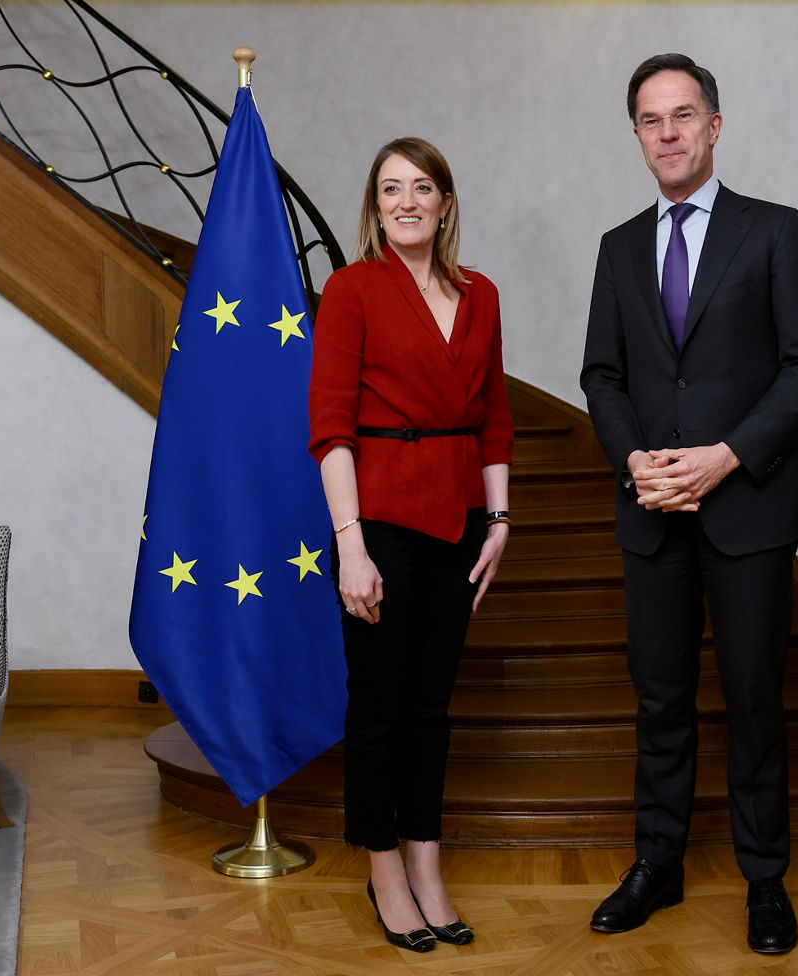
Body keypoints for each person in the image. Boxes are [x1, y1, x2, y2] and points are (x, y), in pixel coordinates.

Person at [579, 54, 798, 954]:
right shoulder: (617, 248)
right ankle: (659, 864)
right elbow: (601, 378)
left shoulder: (775, 232)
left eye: (684, 115)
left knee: (756, 697)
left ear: (715, 125)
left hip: (749, 507)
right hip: (651, 511)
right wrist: (636, 461)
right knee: (660, 697)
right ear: (639, 137)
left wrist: (725, 457)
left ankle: (766, 878)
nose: (670, 132)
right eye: (652, 120)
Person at [309, 137, 513, 953]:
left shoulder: (483, 294)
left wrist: (499, 522)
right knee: (381, 707)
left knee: (432, 708)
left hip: (460, 520)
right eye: (390, 189)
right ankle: (383, 866)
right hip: (380, 521)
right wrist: (349, 546)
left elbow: (495, 413)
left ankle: (428, 862)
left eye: (421, 187)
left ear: (446, 203)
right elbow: (329, 427)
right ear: (375, 206)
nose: (405, 201)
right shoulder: (352, 289)